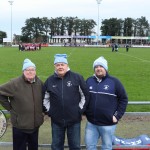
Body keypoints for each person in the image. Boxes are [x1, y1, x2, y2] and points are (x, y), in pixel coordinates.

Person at [43, 54, 89, 150]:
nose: (60, 67)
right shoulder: (50, 80)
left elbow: (85, 95)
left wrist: (79, 110)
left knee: (75, 146)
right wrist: (50, 111)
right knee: (56, 146)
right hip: (57, 120)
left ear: (67, 65)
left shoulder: (77, 78)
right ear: (54, 66)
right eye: (58, 65)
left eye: (62, 64)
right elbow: (44, 98)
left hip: (74, 120)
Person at [84, 56, 128, 150]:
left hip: (108, 124)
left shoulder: (114, 82)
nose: (98, 68)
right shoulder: (89, 81)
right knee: (89, 146)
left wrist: (117, 116)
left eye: (101, 66)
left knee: (107, 147)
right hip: (91, 123)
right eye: (96, 67)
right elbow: (83, 97)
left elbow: (123, 99)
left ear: (106, 68)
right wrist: (84, 112)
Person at [0, 58, 44, 150]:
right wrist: (9, 107)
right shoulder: (15, 83)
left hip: (35, 126)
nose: (30, 72)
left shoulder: (39, 82)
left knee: (33, 147)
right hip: (20, 126)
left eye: (32, 69)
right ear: (23, 71)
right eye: (27, 70)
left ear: (35, 71)